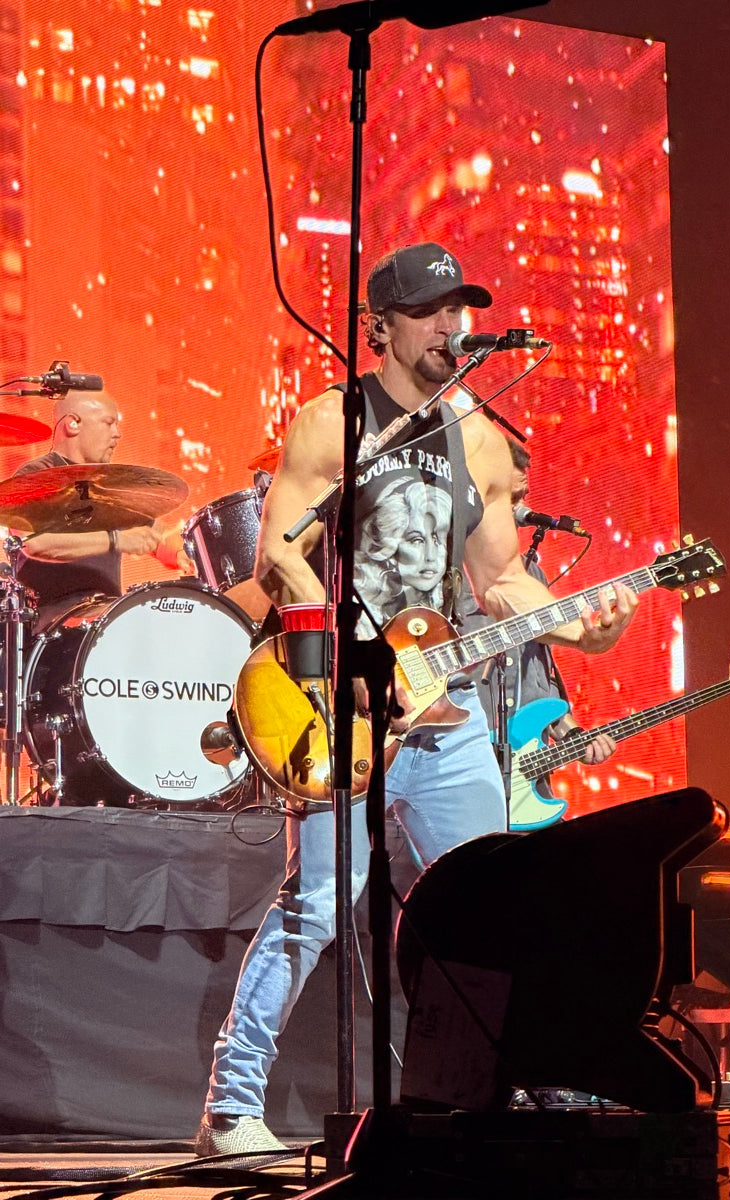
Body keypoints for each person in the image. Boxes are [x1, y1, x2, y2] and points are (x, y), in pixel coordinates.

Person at [197, 241, 638, 1154]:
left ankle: (528, 1087)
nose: (452, 327)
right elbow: (276, 557)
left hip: (452, 719)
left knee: (494, 909)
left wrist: (578, 626)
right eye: (433, 312)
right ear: (381, 328)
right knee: (315, 905)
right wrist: (350, 659)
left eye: (460, 310)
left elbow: (502, 581)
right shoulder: (333, 422)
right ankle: (230, 1109)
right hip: (346, 706)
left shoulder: (476, 435)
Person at [461, 437, 615, 827]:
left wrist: (570, 732)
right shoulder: (442, 571)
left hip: (528, 780)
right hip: (462, 771)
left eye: (522, 497)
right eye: (507, 501)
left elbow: (536, 676)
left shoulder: (532, 575)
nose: (520, 511)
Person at [13, 389, 191, 627]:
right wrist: (115, 540)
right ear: (73, 423)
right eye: (109, 423)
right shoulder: (35, 477)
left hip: (105, 617)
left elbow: (158, 535)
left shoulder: (107, 486)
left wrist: (182, 553)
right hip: (50, 622)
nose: (117, 434)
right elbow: (33, 543)